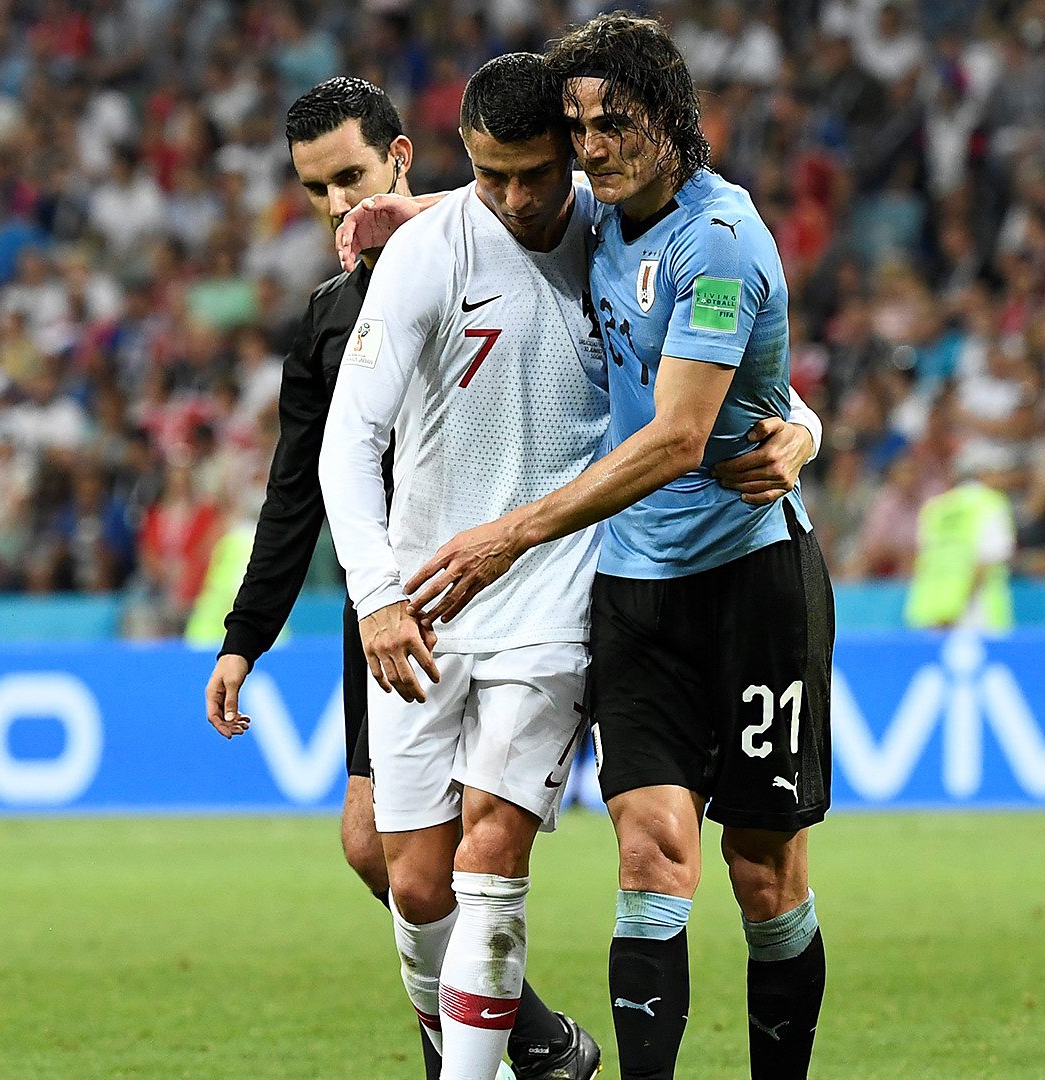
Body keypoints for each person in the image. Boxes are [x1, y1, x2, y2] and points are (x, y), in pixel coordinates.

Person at [371, 18, 834, 1078]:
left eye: (612, 124)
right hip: (634, 588)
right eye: (578, 128)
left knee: (763, 875)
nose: (592, 148)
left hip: (754, 582)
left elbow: (678, 438)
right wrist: (415, 211)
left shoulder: (716, 241)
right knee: (649, 853)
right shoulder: (608, 212)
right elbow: (516, 201)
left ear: (672, 121)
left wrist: (513, 533)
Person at [204, 76, 599, 1080]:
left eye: (349, 178)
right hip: (386, 600)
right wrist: (247, 636)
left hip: (515, 587)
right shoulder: (333, 314)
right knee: (376, 852)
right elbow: (299, 487)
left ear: (398, 165)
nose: (336, 205)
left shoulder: (499, 251)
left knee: (481, 844)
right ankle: (533, 1037)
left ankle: (479, 1056)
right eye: (313, 191)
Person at [318, 55, 619, 1080]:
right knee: (413, 883)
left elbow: (721, 362)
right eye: (491, 176)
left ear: (572, 155)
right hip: (424, 607)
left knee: (492, 853)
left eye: (535, 174)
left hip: (553, 597)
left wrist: (792, 424)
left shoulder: (620, 243)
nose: (515, 199)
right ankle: (549, 1054)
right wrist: (377, 600)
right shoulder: (426, 255)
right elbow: (346, 443)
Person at [904, 459, 1017, 632]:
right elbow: (985, 562)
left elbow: (922, 562)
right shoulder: (991, 504)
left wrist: (941, 614)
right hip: (977, 617)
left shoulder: (934, 509)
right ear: (984, 474)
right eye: (1000, 473)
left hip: (930, 615)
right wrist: (955, 612)